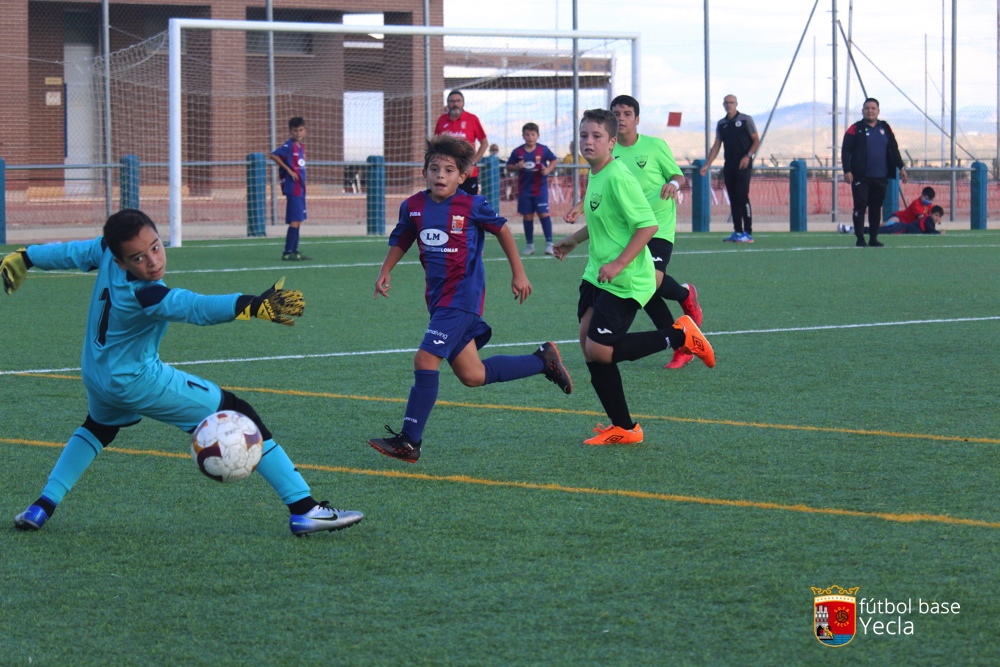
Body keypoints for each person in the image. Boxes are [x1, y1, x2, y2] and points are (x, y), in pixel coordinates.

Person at [2, 209, 362, 537]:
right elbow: (193, 307)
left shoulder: (104, 252)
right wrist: (250, 305)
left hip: (97, 374)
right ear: (119, 259)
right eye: (138, 258)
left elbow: (70, 252)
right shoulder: (145, 293)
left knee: (98, 427)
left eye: (155, 248)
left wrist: (27, 256)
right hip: (137, 381)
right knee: (238, 411)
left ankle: (41, 507)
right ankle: (305, 509)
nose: (152, 261)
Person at [367, 135, 572, 464]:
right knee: (472, 375)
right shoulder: (414, 206)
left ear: (463, 176)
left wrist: (518, 273)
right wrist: (385, 270)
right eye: (434, 169)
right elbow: (403, 236)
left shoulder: (471, 205)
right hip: (438, 301)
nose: (440, 175)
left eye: (449, 170)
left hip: (462, 299)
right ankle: (542, 361)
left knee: (424, 360)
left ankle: (409, 441)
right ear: (425, 172)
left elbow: (503, 230)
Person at [553, 109, 715, 446]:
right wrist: (572, 241)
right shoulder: (596, 174)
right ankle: (624, 427)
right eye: (584, 135)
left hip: (625, 278)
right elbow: (603, 221)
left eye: (596, 136)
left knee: (600, 350)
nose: (588, 142)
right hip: (596, 275)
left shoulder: (617, 176)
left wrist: (618, 264)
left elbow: (647, 226)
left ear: (612, 142)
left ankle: (679, 335)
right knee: (588, 346)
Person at [565, 95, 704, 370]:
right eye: (616, 113)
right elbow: (605, 191)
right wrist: (582, 207)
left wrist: (674, 185)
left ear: (637, 119)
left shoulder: (654, 146)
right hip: (626, 231)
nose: (621, 118)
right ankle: (681, 341)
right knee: (645, 289)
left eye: (627, 113)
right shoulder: (610, 155)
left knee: (650, 281)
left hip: (657, 226)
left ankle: (684, 297)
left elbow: (677, 175)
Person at [841, 97, 908, 247]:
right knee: (860, 206)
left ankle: (873, 238)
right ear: (862, 111)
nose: (870, 111)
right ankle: (860, 238)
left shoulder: (886, 128)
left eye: (873, 108)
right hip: (861, 176)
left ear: (878, 111)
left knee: (876, 208)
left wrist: (901, 167)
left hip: (880, 175)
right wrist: (847, 170)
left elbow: (894, 149)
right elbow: (846, 150)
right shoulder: (855, 129)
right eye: (867, 108)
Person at [699, 95, 760, 243]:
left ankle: (748, 232)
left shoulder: (746, 120)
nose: (729, 105)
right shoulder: (722, 124)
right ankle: (738, 231)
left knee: (742, 197)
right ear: (723, 105)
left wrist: (748, 156)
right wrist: (707, 164)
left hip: (743, 165)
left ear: (736, 104)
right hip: (730, 165)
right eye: (726, 103)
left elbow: (756, 140)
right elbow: (717, 145)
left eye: (731, 102)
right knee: (733, 198)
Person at [506, 122, 558, 256]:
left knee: (543, 214)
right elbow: (509, 166)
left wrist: (548, 170)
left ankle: (549, 244)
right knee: (527, 216)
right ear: (523, 136)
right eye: (527, 134)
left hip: (540, 189)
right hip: (524, 190)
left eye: (533, 134)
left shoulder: (543, 150)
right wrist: (518, 166)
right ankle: (530, 245)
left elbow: (554, 160)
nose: (530, 137)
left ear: (538, 136)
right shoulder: (518, 151)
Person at [270, 117, 311, 261]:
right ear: (290, 132)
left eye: (300, 130)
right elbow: (273, 155)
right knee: (295, 219)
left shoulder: (301, 147)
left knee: (298, 219)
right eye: (295, 130)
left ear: (304, 130)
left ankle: (294, 250)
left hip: (300, 188)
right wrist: (289, 170)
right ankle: (287, 252)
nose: (298, 133)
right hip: (293, 188)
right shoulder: (289, 146)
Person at [434, 90, 488, 195]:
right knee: (446, 205)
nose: (455, 104)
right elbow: (436, 145)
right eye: (452, 101)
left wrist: (472, 163)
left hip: (466, 172)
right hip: (446, 173)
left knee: (468, 206)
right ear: (447, 103)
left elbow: (484, 143)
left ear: (463, 103)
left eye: (458, 101)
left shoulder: (472, 119)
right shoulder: (441, 120)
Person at [838, 186, 935, 234]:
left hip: (905, 225)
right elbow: (923, 218)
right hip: (899, 218)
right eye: (926, 198)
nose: (927, 201)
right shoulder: (916, 204)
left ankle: (859, 229)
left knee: (888, 229)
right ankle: (854, 228)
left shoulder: (929, 205)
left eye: (929, 200)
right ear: (921, 195)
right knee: (889, 225)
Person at [856, 205, 945, 235]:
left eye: (939, 217)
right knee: (882, 231)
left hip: (904, 227)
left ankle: (858, 229)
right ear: (930, 214)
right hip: (903, 228)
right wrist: (939, 233)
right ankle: (858, 230)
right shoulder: (928, 220)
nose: (937, 218)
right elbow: (931, 231)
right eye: (935, 215)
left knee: (882, 230)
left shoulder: (930, 221)